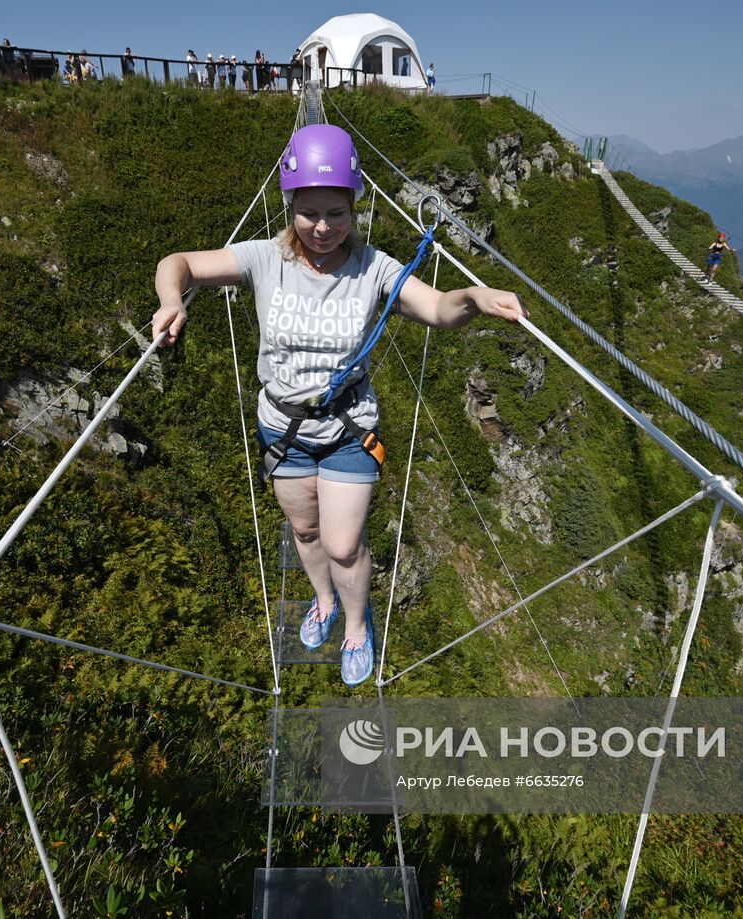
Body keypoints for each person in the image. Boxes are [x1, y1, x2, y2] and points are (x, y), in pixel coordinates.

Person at [151, 124, 526, 686]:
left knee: (343, 544)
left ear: (355, 209)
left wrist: (474, 296)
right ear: (290, 207)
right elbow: (176, 262)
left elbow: (439, 310)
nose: (323, 228)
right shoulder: (262, 259)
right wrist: (171, 300)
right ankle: (322, 601)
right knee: (305, 534)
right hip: (283, 425)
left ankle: (355, 626)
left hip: (349, 426)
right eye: (309, 213)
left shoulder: (373, 268)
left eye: (337, 213)